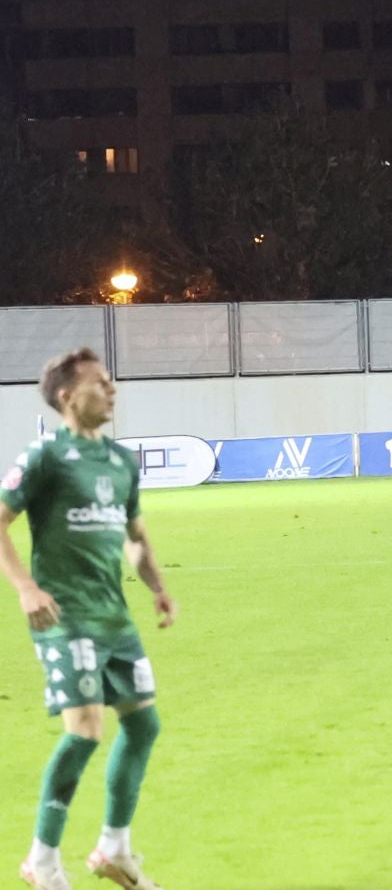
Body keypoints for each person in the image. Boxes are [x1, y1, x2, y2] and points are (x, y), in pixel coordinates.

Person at [1, 350, 174, 890]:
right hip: (64, 617)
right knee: (85, 732)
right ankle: (43, 859)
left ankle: (113, 848)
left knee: (144, 723)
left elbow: (136, 538)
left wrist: (159, 588)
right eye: (101, 383)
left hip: (114, 618)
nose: (113, 389)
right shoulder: (44, 457)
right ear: (67, 396)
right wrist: (26, 588)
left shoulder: (122, 462)